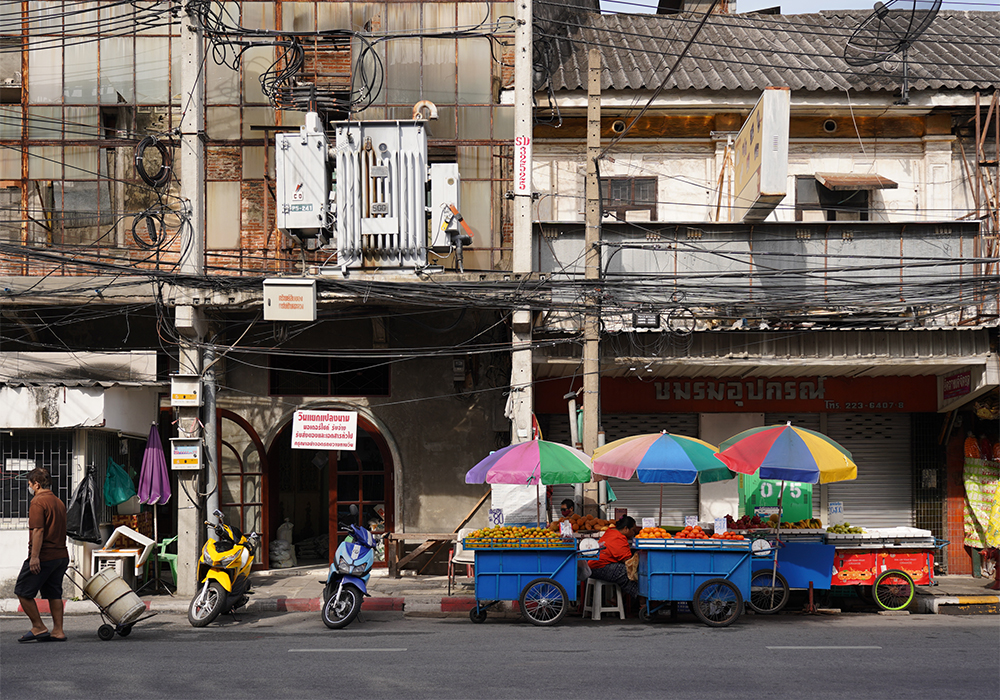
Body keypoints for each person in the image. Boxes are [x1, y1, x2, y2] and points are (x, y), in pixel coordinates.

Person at [15, 468, 69, 643]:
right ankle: (58, 631)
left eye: (30, 484)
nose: (29, 488)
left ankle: (38, 626)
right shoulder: (58, 502)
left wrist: (34, 557)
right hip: (60, 555)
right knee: (54, 593)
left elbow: (38, 530)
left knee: (22, 591)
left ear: (36, 484)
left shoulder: (38, 502)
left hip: (44, 556)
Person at [588, 515, 642, 600]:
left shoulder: (610, 531)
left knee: (626, 572)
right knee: (629, 572)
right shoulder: (618, 538)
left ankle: (616, 598)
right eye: (632, 530)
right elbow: (627, 560)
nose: (634, 533)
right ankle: (641, 600)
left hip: (593, 566)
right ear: (626, 529)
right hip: (599, 567)